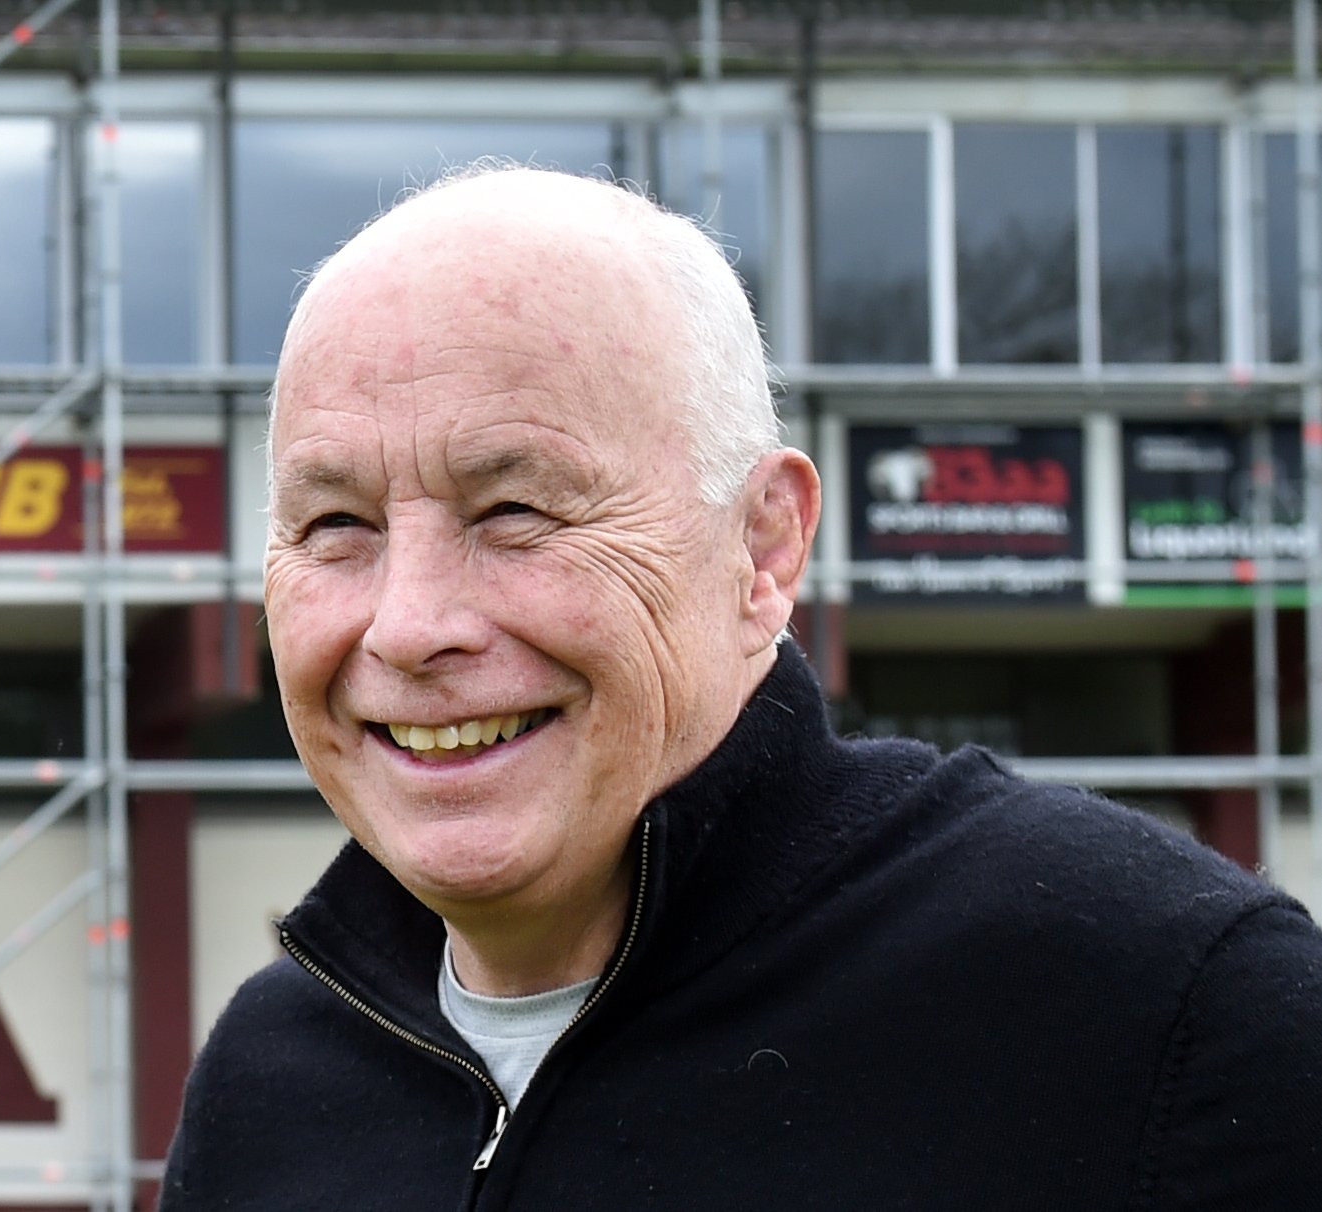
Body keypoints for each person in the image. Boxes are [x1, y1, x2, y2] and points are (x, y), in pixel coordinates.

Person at [158, 165, 1322, 1208]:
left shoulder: (1168, 1011)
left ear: (763, 547)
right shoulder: (268, 1081)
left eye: (515, 511)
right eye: (335, 524)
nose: (409, 626)